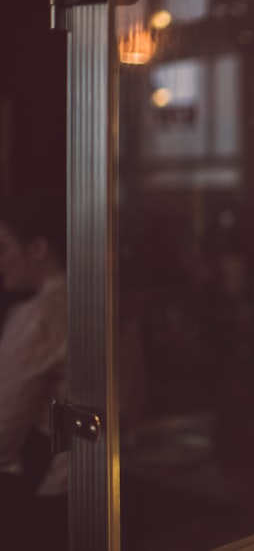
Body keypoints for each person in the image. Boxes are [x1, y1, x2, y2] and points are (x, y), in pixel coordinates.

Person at [0, 195, 68, 550]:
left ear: (38, 247)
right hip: (98, 485)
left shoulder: (39, 317)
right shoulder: (100, 299)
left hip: (53, 495)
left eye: (3, 248)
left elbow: (2, 432)